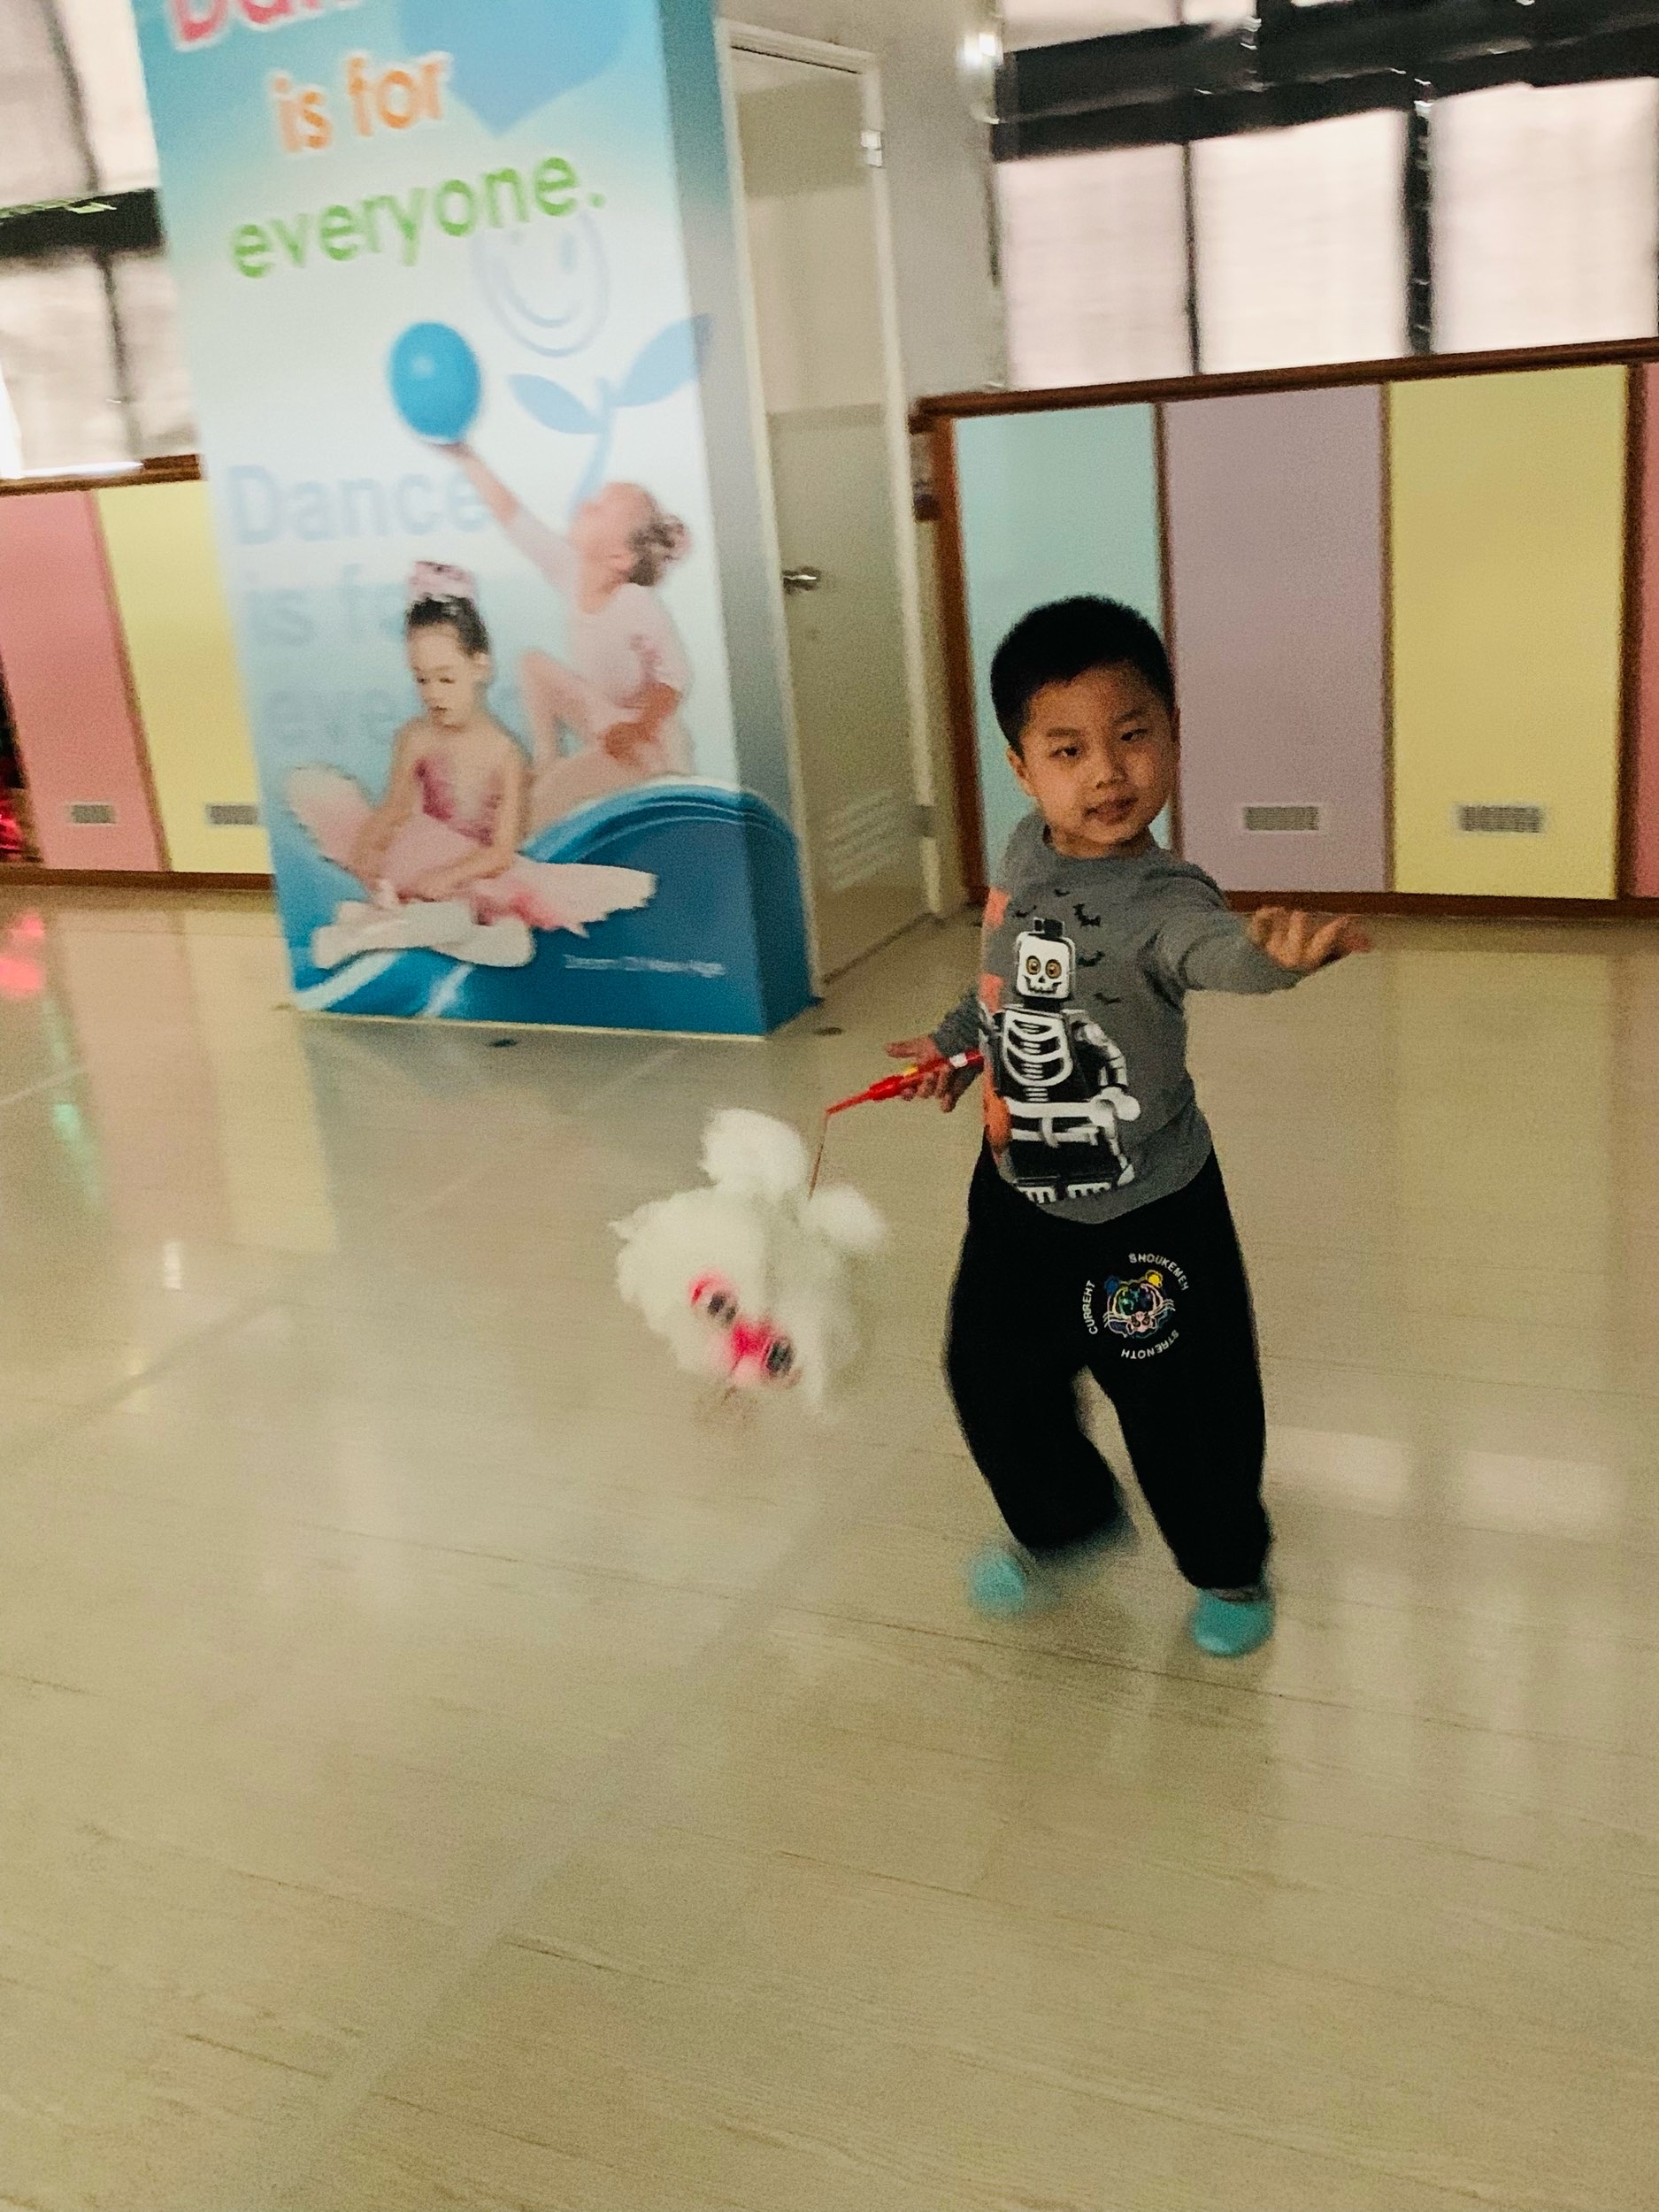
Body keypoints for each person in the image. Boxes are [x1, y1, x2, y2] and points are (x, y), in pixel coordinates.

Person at [889, 596, 1369, 1658]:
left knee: (1184, 1408)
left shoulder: (1165, 894)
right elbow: (1005, 983)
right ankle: (1068, 1523)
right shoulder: (1022, 854)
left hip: (1147, 1209)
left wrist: (1271, 960)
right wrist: (956, 1048)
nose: (1108, 772)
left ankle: (1227, 1563)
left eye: (1134, 735)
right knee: (989, 1376)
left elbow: (1212, 949)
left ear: (1173, 735)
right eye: (1069, 749)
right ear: (1022, 768)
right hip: (1017, 1193)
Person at [288, 565, 654, 970]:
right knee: (453, 919)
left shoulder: (506, 754)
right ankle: (355, 937)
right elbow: (395, 808)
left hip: (475, 870)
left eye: (445, 680)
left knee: (516, 947)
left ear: (480, 666)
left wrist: (449, 876)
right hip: (418, 857)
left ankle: (373, 925)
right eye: (422, 680)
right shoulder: (416, 737)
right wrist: (367, 852)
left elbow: (501, 851)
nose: (433, 694)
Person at [449, 445, 693, 834]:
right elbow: (514, 517)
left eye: (599, 508)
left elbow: (675, 677)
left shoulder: (635, 603)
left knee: (541, 805)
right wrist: (467, 458)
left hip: (646, 749)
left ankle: (549, 793)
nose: (585, 504)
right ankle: (547, 760)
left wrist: (639, 730)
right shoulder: (572, 572)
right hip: (604, 717)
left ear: (619, 558)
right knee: (532, 664)